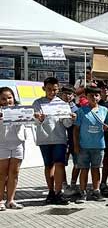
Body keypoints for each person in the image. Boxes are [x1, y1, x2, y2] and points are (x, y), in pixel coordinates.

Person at [33, 77, 75, 205]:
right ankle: (50, 192)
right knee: (48, 165)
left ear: (58, 89)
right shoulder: (38, 103)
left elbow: (67, 124)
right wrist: (39, 119)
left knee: (60, 164)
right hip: (44, 139)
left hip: (59, 139)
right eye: (49, 89)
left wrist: (71, 118)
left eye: (55, 89)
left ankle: (58, 192)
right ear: (44, 88)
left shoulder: (62, 104)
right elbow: (34, 121)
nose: (52, 92)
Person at [72, 86, 108, 203]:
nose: (94, 98)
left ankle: (96, 191)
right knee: (83, 169)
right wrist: (76, 145)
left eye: (96, 95)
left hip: (99, 146)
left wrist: (106, 129)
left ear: (100, 96)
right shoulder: (81, 111)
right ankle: (83, 192)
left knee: (96, 169)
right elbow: (76, 130)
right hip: (84, 146)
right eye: (91, 95)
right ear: (86, 97)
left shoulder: (105, 110)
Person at [0, 86, 25, 211]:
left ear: (14, 98)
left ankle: (10, 200)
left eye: (9, 98)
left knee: (14, 173)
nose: (7, 101)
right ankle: (0, 201)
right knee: (2, 174)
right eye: (3, 99)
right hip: (2, 144)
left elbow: (32, 122)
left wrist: (38, 119)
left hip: (17, 144)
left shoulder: (21, 110)